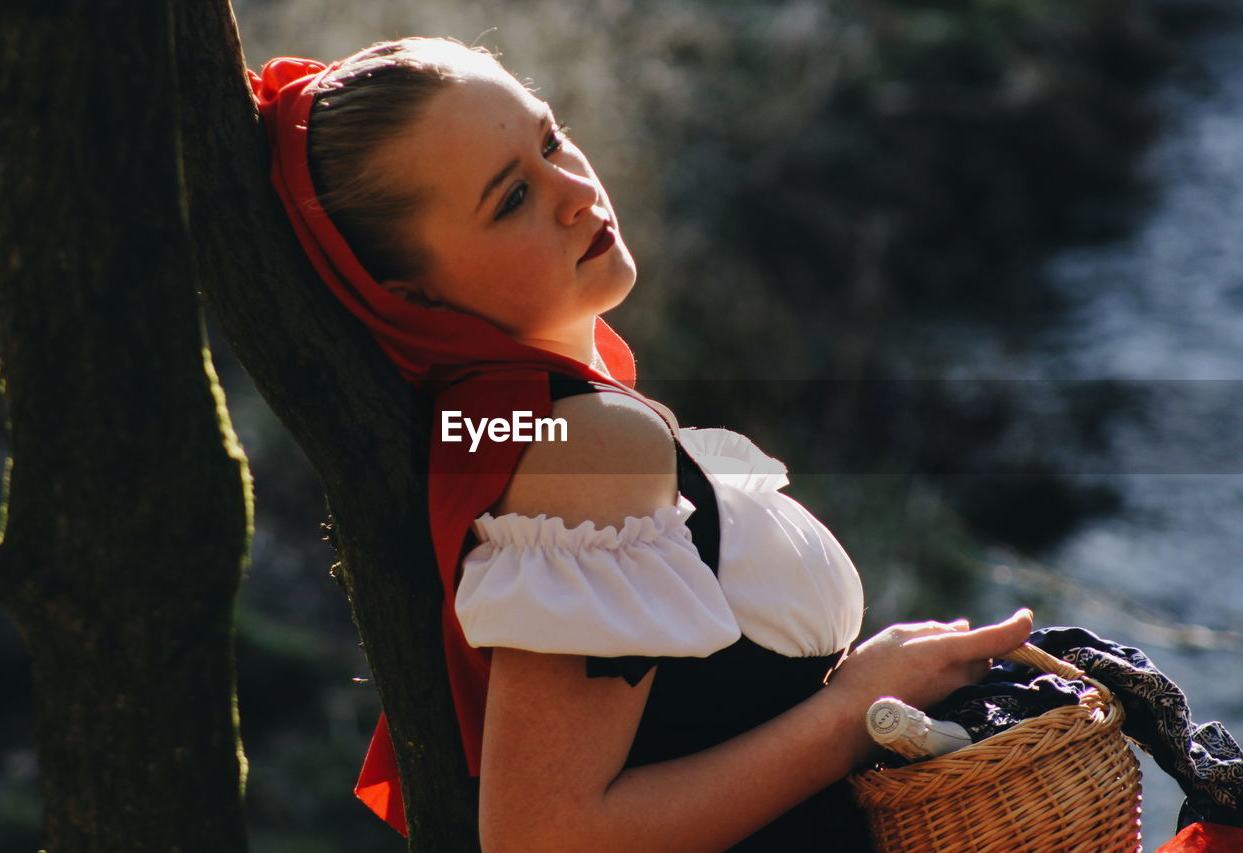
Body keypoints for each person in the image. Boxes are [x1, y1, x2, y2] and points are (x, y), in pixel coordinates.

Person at [251, 37, 1034, 852]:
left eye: (550, 140)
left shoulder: (517, 422)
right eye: (511, 197)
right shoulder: (580, 443)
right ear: (413, 293)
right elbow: (544, 835)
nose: (572, 192)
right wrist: (855, 712)